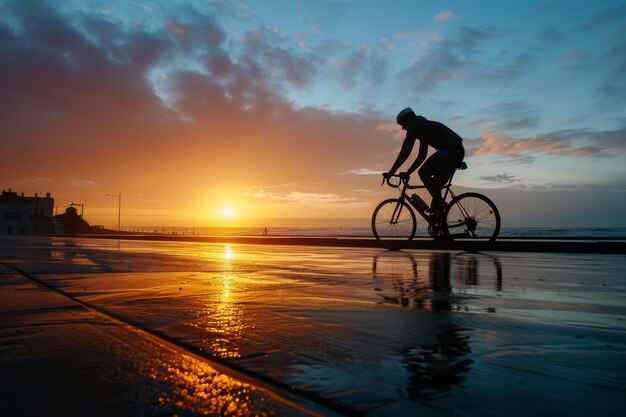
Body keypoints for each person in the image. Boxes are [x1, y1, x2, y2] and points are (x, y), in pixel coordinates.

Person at [383, 107, 465, 213]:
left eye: (402, 124)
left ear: (408, 119)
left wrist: (391, 172)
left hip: (449, 151)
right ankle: (439, 219)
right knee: (435, 185)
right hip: (454, 151)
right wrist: (408, 172)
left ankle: (440, 205)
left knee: (423, 172)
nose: (403, 128)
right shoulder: (422, 126)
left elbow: (404, 153)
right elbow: (422, 155)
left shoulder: (416, 127)